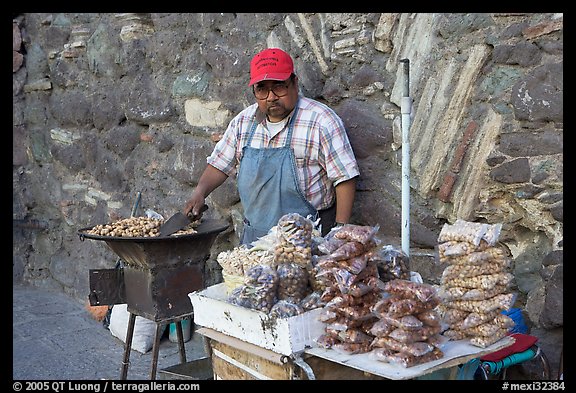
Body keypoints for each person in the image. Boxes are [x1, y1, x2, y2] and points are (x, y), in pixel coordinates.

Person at [183, 47, 359, 244]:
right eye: (262, 89)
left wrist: (339, 232)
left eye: (279, 86)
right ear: (254, 92)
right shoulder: (243, 123)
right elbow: (219, 164)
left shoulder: (321, 120)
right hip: (256, 237)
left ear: (295, 83)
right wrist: (199, 193)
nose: (271, 96)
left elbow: (344, 177)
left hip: (308, 238)